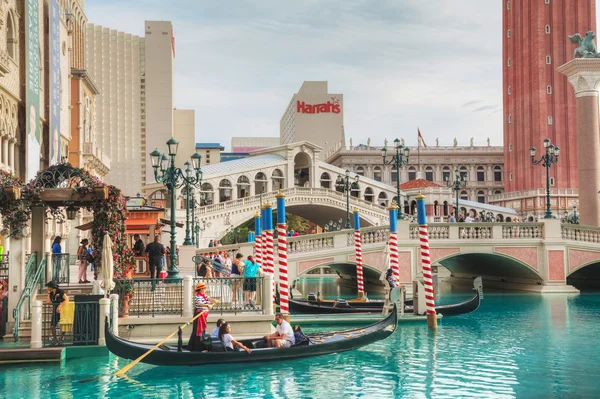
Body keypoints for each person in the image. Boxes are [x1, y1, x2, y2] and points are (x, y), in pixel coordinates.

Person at [188, 282, 218, 352]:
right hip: (198, 315)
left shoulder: (204, 295)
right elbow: (199, 303)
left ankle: (200, 346)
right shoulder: (198, 296)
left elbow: (209, 299)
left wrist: (214, 300)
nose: (205, 289)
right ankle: (196, 348)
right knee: (198, 331)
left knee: (202, 331)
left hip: (203, 315)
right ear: (201, 289)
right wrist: (207, 305)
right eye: (204, 288)